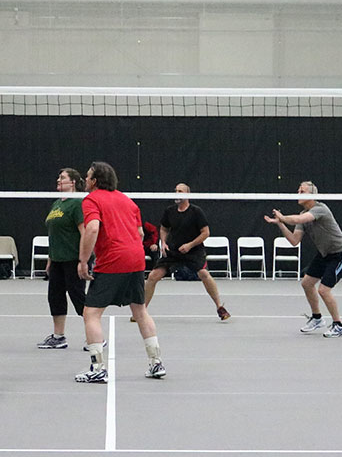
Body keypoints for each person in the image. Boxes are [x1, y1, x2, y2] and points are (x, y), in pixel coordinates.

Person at [75, 162, 165, 383]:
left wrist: (84, 260)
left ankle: (97, 367)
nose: (85, 180)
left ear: (95, 181)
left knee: (91, 314)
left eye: (87, 177)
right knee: (140, 311)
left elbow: (93, 228)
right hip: (135, 259)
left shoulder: (91, 200)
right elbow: (140, 232)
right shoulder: (127, 200)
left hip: (113, 260)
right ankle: (156, 363)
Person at [264, 181, 342, 338]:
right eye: (298, 190)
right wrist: (281, 224)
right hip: (324, 254)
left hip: (339, 253)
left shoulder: (320, 209)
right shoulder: (303, 214)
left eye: (302, 191)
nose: (298, 193)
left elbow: (297, 220)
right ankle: (317, 318)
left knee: (323, 290)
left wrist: (283, 217)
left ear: (312, 195)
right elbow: (294, 241)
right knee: (307, 283)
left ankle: (338, 325)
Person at [143, 184, 230, 321]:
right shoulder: (169, 211)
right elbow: (164, 228)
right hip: (173, 251)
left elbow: (206, 233)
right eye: (175, 191)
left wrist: (190, 245)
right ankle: (142, 311)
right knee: (153, 276)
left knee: (204, 274)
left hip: (193, 251)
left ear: (188, 194)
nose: (177, 193)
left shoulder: (196, 212)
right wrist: (163, 243)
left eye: (180, 191)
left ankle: (220, 307)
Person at [37, 168, 88, 349]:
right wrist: (50, 259)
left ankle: (94, 337)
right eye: (59, 177)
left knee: (78, 297)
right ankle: (59, 337)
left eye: (63, 177)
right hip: (57, 259)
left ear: (73, 182)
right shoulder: (57, 203)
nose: (58, 180)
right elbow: (54, 233)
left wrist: (83, 260)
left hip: (73, 258)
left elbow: (85, 232)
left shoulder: (78, 203)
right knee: (55, 297)